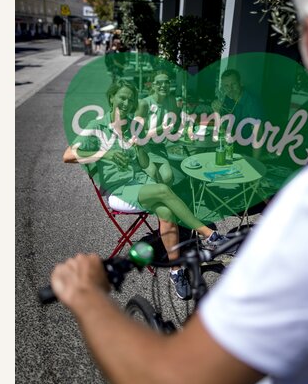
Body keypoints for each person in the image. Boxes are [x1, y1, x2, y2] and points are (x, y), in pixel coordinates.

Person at [50, 0, 308, 384]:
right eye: (129, 100)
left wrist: (85, 293)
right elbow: (74, 151)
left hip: (151, 175)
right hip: (126, 185)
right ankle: (198, 237)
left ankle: (196, 237)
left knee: (169, 178)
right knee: (163, 188)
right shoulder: (102, 128)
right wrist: (110, 144)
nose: (132, 104)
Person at [63, 79, 231, 299]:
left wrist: (140, 147)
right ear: (112, 98)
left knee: (167, 212)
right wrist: (106, 153)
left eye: (131, 99)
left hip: (142, 183)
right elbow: (68, 155)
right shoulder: (97, 127)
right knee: (163, 190)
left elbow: (143, 164)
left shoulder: (134, 126)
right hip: (119, 189)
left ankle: (176, 270)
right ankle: (210, 235)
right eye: (122, 97)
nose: (126, 102)